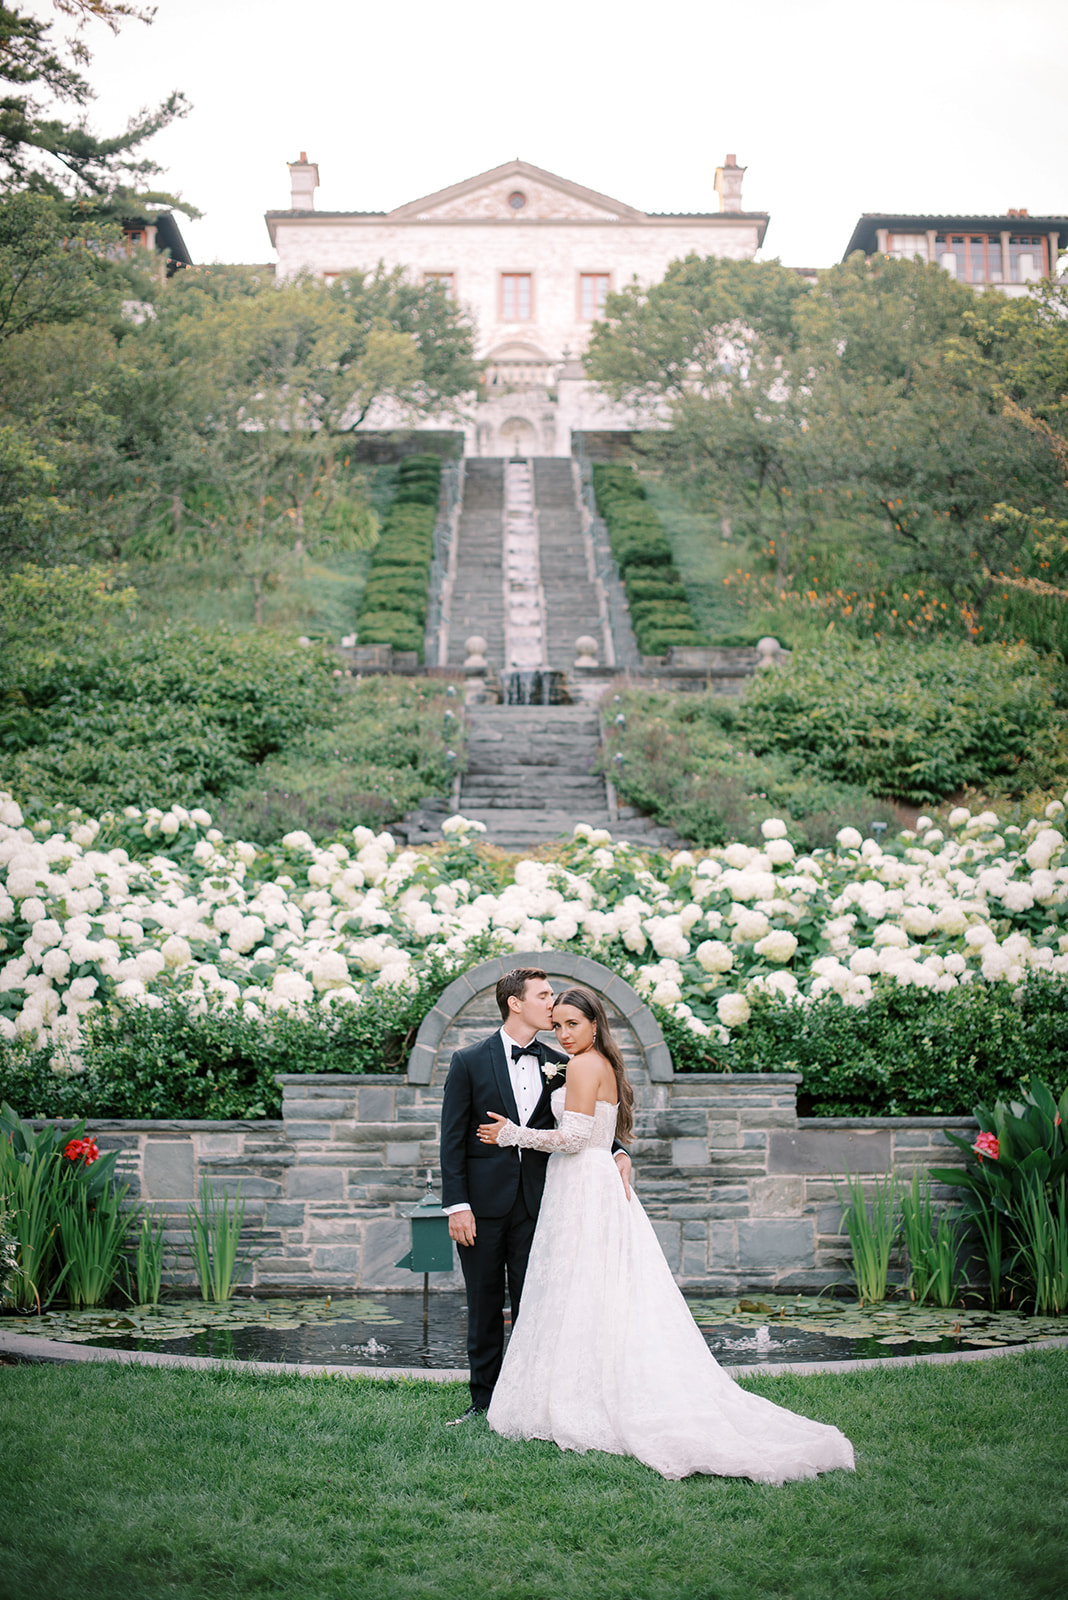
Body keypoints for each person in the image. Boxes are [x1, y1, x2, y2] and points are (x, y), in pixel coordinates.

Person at [477, 986, 855, 1484]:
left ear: (595, 1025)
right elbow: (595, 1134)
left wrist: (511, 1134)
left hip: (583, 1185)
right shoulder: (595, 1063)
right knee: (592, 1291)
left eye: (574, 1024)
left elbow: (570, 1139)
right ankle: (581, 1387)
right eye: (559, 1025)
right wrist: (615, 1151)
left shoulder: (586, 1066)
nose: (564, 1034)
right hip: (587, 1182)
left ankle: (580, 1396)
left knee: (582, 1288)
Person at [439, 967, 632, 1425]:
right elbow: (451, 1139)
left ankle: (529, 1401)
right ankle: (483, 1403)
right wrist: (457, 1205)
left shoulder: (563, 1060)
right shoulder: (468, 1060)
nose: (552, 1004)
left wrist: (620, 1151)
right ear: (516, 1003)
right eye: (543, 996)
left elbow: (587, 1120)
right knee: (484, 1306)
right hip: (482, 1209)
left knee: (540, 1306)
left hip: (543, 1203)